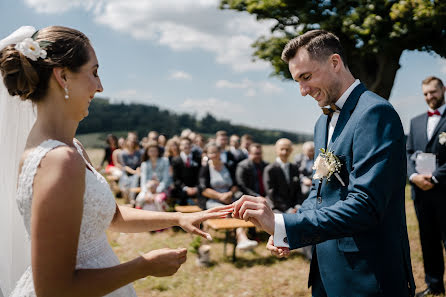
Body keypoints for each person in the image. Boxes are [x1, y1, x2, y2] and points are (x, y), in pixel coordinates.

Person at [0, 25, 232, 297]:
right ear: (63, 76)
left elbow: (111, 215)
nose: (100, 87)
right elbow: (54, 289)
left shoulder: (71, 148)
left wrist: (179, 217)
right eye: (94, 73)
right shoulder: (58, 160)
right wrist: (144, 266)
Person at [232, 30, 415, 296]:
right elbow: (319, 192)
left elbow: (366, 205)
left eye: (306, 77)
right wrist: (286, 229)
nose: (303, 91)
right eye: (297, 81)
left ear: (335, 63)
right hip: (326, 269)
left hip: (366, 274)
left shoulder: (375, 113)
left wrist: (286, 226)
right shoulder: (323, 122)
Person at [407, 76, 446, 297]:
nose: (429, 97)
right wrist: (413, 176)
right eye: (425, 94)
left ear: (443, 89)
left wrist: (435, 177)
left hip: (444, 190)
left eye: (433, 92)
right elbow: (408, 153)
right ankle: (434, 285)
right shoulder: (415, 121)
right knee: (428, 240)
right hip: (420, 193)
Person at [199, 142, 257, 250]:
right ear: (207, 154)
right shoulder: (205, 169)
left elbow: (236, 184)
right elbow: (203, 189)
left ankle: (242, 238)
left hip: (230, 197)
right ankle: (241, 238)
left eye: (216, 152)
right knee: (227, 214)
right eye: (211, 153)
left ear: (220, 153)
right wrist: (220, 196)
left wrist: (229, 194)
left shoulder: (228, 166)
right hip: (213, 200)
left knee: (239, 212)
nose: (214, 155)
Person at [263, 138, 303, 213]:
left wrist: (297, 205)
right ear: (276, 150)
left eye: (287, 149)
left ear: (291, 150)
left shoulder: (294, 168)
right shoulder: (270, 169)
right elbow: (271, 193)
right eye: (282, 149)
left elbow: (298, 189)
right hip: (277, 207)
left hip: (294, 207)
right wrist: (287, 209)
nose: (284, 152)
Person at [135, 141, 171, 211]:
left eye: (155, 151)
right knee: (140, 199)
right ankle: (140, 218)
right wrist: (147, 193)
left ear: (158, 151)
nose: (153, 153)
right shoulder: (145, 164)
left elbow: (166, 179)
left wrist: (157, 190)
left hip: (162, 188)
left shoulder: (165, 161)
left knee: (158, 200)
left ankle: (161, 219)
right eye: (151, 151)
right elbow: (143, 181)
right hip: (148, 189)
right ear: (147, 152)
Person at [171, 137, 201, 205]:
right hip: (182, 189)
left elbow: (200, 175)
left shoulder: (198, 159)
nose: (185, 146)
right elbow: (175, 178)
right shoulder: (175, 160)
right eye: (183, 144)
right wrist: (186, 188)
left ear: (191, 146)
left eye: (187, 144)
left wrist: (196, 188)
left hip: (196, 188)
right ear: (180, 147)